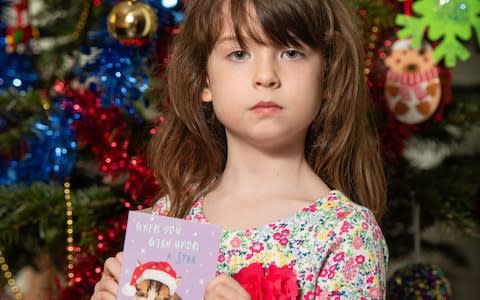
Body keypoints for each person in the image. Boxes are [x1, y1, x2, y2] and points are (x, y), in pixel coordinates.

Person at [92, 0, 389, 299]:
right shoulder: (172, 215)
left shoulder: (346, 235)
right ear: (204, 80)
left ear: (327, 77)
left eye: (291, 52)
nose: (266, 76)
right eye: (239, 53)